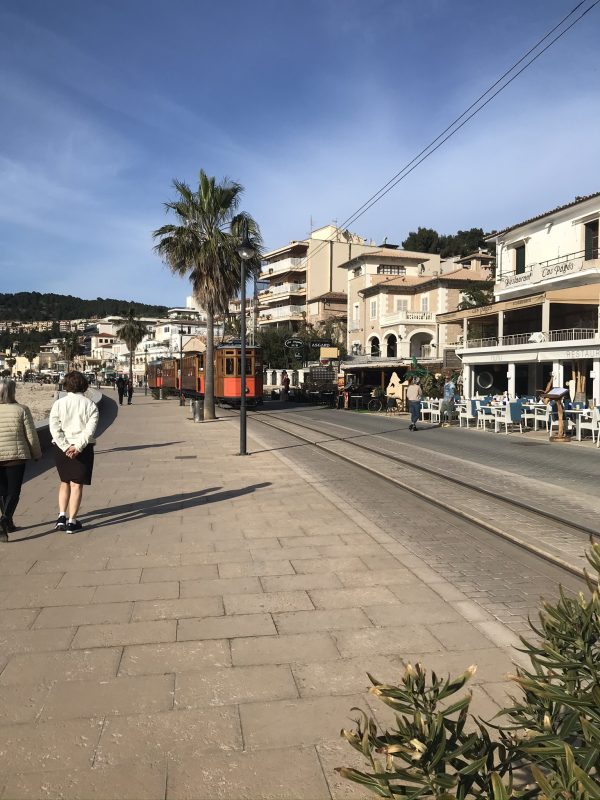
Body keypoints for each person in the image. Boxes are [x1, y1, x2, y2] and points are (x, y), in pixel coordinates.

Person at [49, 371, 99, 534]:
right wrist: (77, 447)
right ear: (84, 385)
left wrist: (64, 446)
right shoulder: (90, 405)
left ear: (66, 385)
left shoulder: (59, 403)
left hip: (61, 449)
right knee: (77, 485)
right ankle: (72, 521)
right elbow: (89, 430)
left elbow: (54, 428)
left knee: (64, 482)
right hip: (82, 450)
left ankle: (61, 517)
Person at [0, 378, 42, 541]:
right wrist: (36, 454)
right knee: (14, 491)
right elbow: (31, 435)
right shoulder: (22, 409)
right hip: (16, 457)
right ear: (12, 392)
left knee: (2, 491)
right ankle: (4, 520)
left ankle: (7, 523)